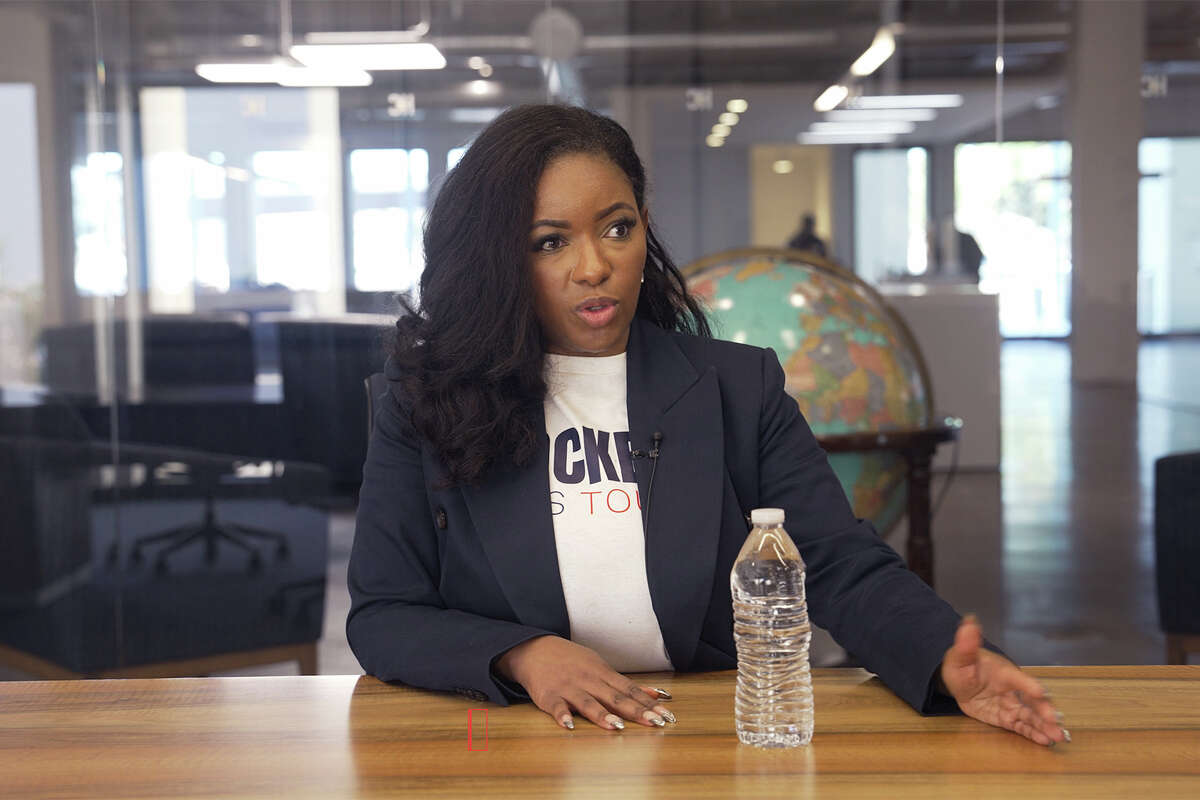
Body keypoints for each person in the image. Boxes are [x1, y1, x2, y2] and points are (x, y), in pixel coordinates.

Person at [348, 104, 1067, 746]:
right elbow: (384, 614)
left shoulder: (736, 386)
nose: (594, 265)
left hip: (706, 733)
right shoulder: (422, 403)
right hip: (517, 738)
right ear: (496, 261)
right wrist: (523, 654)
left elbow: (838, 562)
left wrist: (945, 658)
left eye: (617, 228)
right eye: (550, 242)